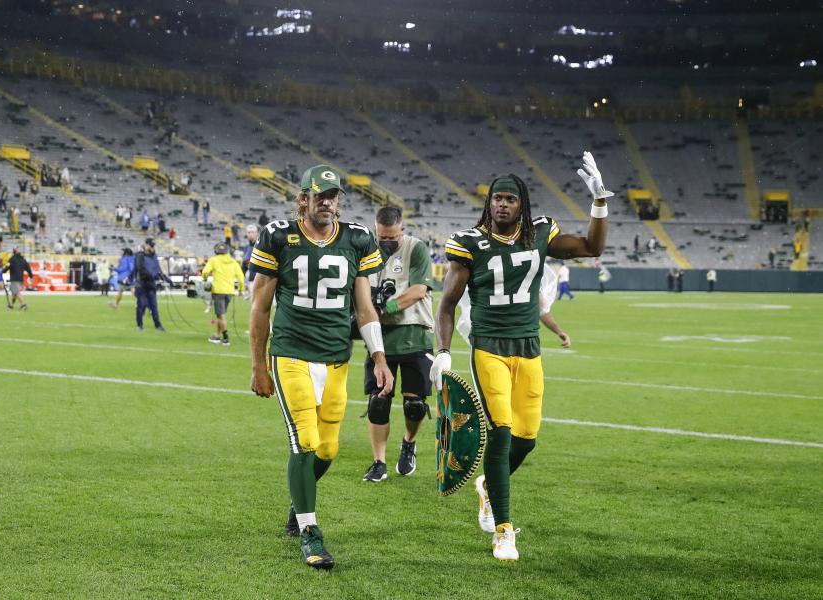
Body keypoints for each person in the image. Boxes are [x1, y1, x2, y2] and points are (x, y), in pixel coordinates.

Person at [433, 152, 611, 562]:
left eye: (510, 199)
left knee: (526, 441)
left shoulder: (541, 233)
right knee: (500, 433)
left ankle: (488, 489)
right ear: (489, 202)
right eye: (497, 198)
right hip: (489, 347)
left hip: (529, 348)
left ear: (522, 204)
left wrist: (599, 202)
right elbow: (446, 304)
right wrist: (442, 352)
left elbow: (590, 245)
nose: (502, 204)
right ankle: (504, 530)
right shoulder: (469, 243)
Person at [248, 164, 394, 570]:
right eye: (320, 195)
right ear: (303, 199)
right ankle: (310, 532)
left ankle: (300, 503)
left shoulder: (357, 238)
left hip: (336, 358)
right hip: (292, 353)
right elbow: (260, 306)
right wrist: (258, 365)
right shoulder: (280, 236)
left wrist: (379, 357)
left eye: (334, 196)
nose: (328, 203)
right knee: (305, 443)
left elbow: (364, 308)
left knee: (328, 450)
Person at [361, 206, 434, 483]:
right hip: (380, 338)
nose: (387, 241)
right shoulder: (368, 251)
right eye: (382, 236)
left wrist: (386, 306)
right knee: (378, 402)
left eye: (392, 236)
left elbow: (418, 290)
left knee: (414, 405)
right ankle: (379, 462)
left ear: (401, 229)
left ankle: (408, 443)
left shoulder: (416, 249)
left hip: (415, 333)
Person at [202, 241, 245, 345]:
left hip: (218, 291)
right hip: (230, 292)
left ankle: (226, 338)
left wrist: (205, 279)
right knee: (221, 315)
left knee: (220, 315)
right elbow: (241, 278)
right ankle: (217, 335)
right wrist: (240, 290)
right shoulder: (233, 262)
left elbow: (205, 272)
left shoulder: (213, 260)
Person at [129, 239, 171, 331]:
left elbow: (158, 270)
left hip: (151, 285)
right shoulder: (140, 256)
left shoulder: (154, 257)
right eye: (151, 245)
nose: (152, 247)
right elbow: (140, 269)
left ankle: (158, 326)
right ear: (146, 245)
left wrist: (168, 280)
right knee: (141, 305)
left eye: (153, 246)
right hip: (141, 284)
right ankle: (139, 325)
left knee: (154, 306)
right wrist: (151, 275)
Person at [240, 224, 259, 298]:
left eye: (253, 232)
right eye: (249, 232)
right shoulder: (246, 248)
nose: (251, 234)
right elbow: (244, 265)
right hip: (251, 280)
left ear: (257, 233)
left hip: (262, 280)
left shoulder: (262, 245)